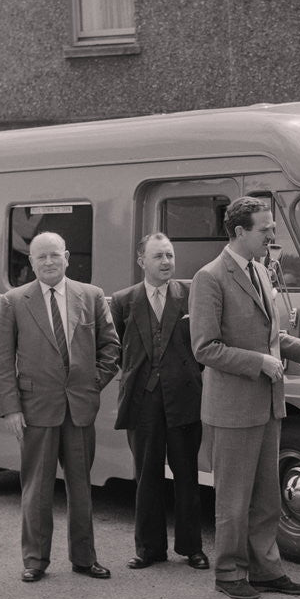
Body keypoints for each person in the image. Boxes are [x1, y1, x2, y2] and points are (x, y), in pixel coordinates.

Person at [189, 196, 300, 599]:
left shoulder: (260, 270)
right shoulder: (210, 277)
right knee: (233, 502)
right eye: (265, 229)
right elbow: (204, 347)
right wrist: (260, 363)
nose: (273, 234)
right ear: (239, 232)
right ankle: (230, 573)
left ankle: (266, 570)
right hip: (232, 408)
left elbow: (270, 338)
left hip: (266, 403)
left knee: (267, 497)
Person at [0, 231, 120, 583]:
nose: (48, 262)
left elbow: (111, 348)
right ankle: (35, 560)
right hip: (35, 409)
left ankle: (84, 558)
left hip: (79, 407)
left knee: (81, 487)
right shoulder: (14, 301)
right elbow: (4, 361)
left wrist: (92, 384)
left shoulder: (91, 296)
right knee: (36, 487)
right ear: (31, 262)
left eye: (54, 255)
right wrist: (11, 409)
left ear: (66, 257)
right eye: (40, 257)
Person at [111, 233, 208, 571]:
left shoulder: (191, 294)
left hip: (184, 398)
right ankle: (149, 549)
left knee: (187, 475)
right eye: (158, 256)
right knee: (147, 476)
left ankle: (191, 547)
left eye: (169, 255)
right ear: (142, 262)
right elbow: (115, 351)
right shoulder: (123, 301)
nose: (166, 262)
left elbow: (206, 341)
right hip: (143, 401)